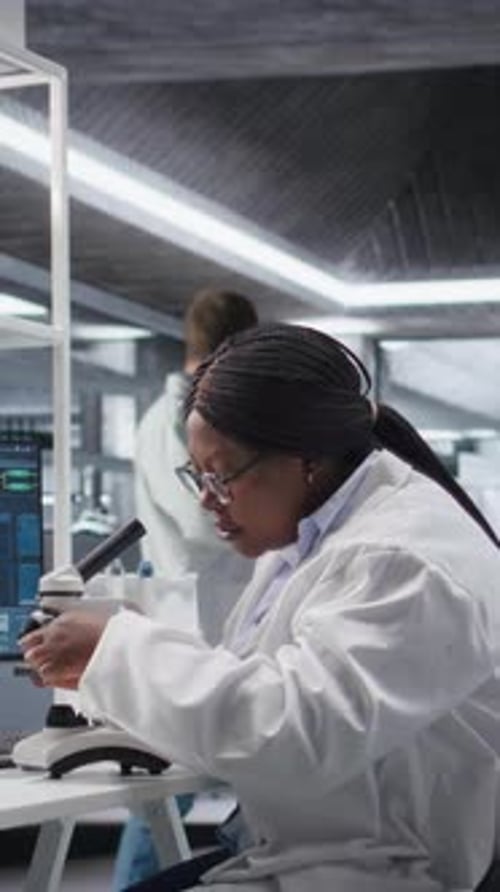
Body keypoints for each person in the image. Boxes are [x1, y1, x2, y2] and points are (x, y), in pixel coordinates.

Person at [21, 322, 500, 892]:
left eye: (221, 476)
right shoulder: (315, 540)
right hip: (306, 851)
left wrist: (119, 651)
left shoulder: (402, 559)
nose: (207, 501)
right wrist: (122, 669)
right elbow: (260, 688)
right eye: (197, 476)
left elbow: (292, 732)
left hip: (378, 871)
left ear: (306, 459)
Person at [114, 288, 258, 889]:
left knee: (190, 796)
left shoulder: (190, 416)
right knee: (162, 798)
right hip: (190, 622)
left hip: (219, 625)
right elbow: (205, 522)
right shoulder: (173, 423)